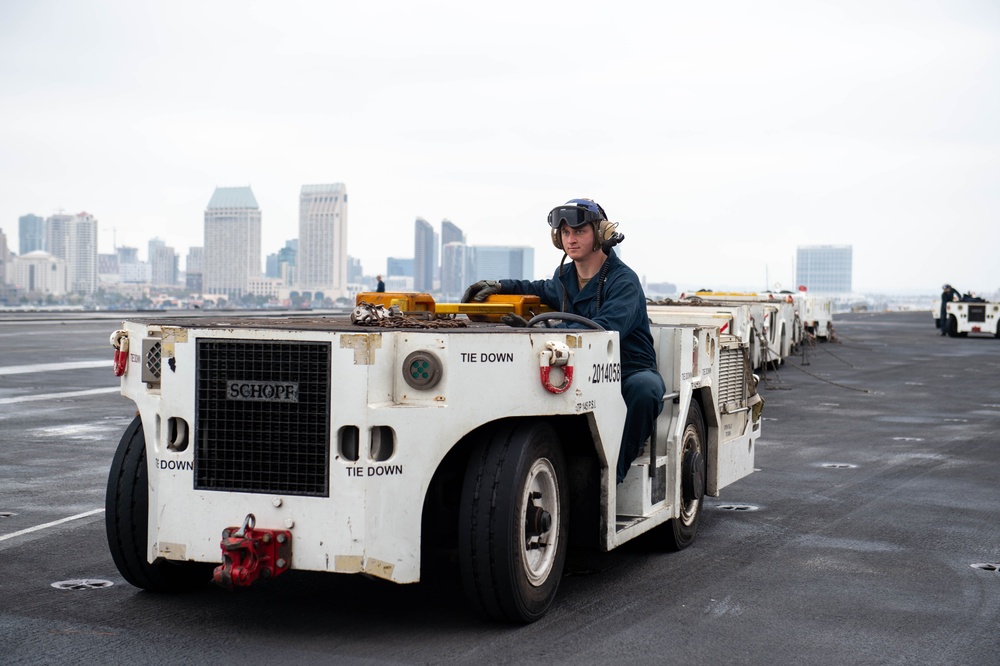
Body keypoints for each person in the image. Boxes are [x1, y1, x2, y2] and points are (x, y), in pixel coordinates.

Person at [462, 198, 665, 484]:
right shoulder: (564, 277)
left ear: (601, 234)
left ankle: (613, 476)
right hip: (580, 368)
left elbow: (605, 327)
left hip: (625, 369)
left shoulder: (623, 281)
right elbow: (537, 288)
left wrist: (543, 329)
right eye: (566, 233)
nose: (571, 239)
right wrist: (499, 285)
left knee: (645, 389)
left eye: (580, 231)